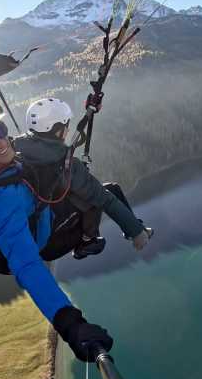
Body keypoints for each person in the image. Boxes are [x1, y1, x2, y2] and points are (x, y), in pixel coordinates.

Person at [0, 54, 112, 361]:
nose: (2, 143)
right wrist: (70, 323)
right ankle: (85, 241)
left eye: (0, 130)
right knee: (103, 195)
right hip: (42, 238)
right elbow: (27, 265)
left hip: (31, 205)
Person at [15, 97, 153, 260]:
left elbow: (70, 141)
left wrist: (89, 112)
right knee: (100, 196)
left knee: (111, 188)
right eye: (65, 126)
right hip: (51, 242)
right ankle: (88, 241)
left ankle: (134, 226)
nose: (67, 130)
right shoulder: (67, 165)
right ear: (57, 129)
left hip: (33, 225)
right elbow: (105, 199)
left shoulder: (19, 148)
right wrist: (137, 233)